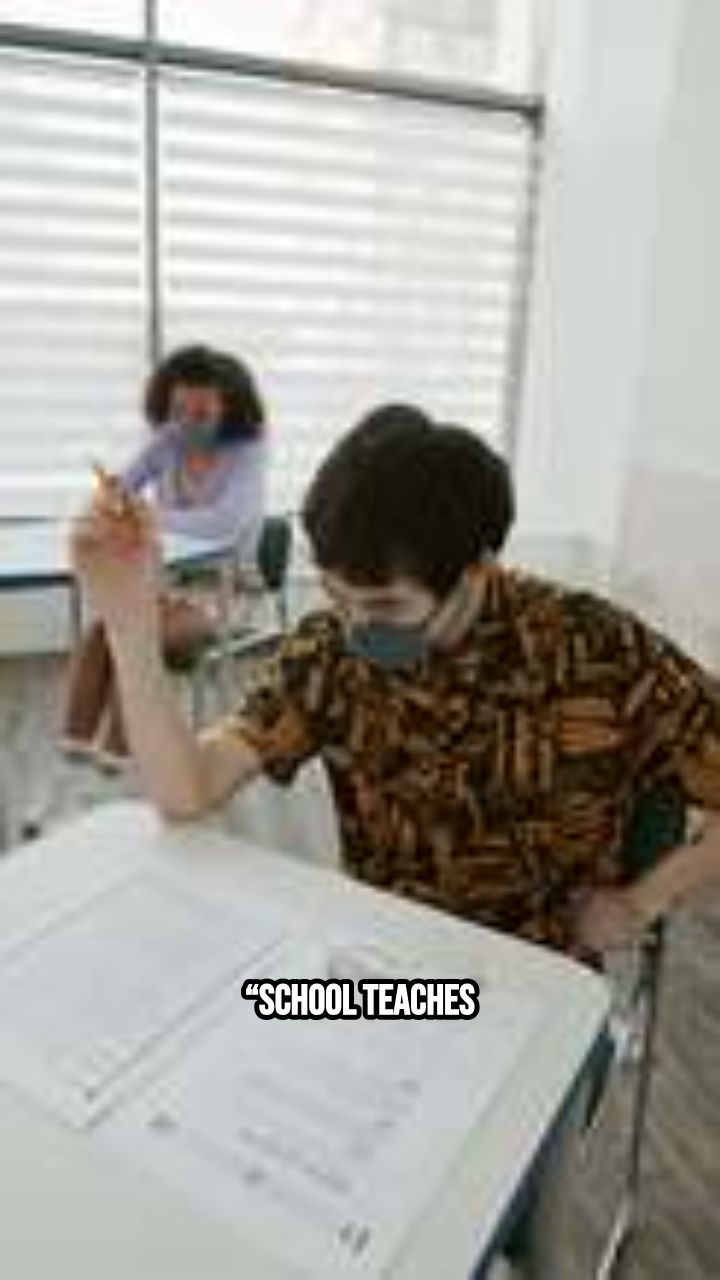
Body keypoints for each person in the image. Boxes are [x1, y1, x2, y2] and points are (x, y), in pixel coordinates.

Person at [70, 401, 720, 950]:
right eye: (338, 596)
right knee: (260, 1009)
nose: (357, 627)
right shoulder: (329, 651)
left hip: (533, 979)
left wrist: (641, 902)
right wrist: (129, 622)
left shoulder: (597, 652)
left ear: (477, 570)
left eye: (385, 607)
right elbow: (187, 791)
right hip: (384, 970)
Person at [63, 343, 267, 766]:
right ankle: (75, 744)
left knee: (133, 631)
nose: (186, 424)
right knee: (101, 630)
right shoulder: (168, 441)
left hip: (225, 593)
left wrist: (149, 515)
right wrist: (113, 500)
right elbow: (119, 491)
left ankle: (122, 750)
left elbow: (225, 524)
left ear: (229, 409)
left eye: (201, 414)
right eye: (177, 411)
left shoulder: (247, 452)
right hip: (165, 586)